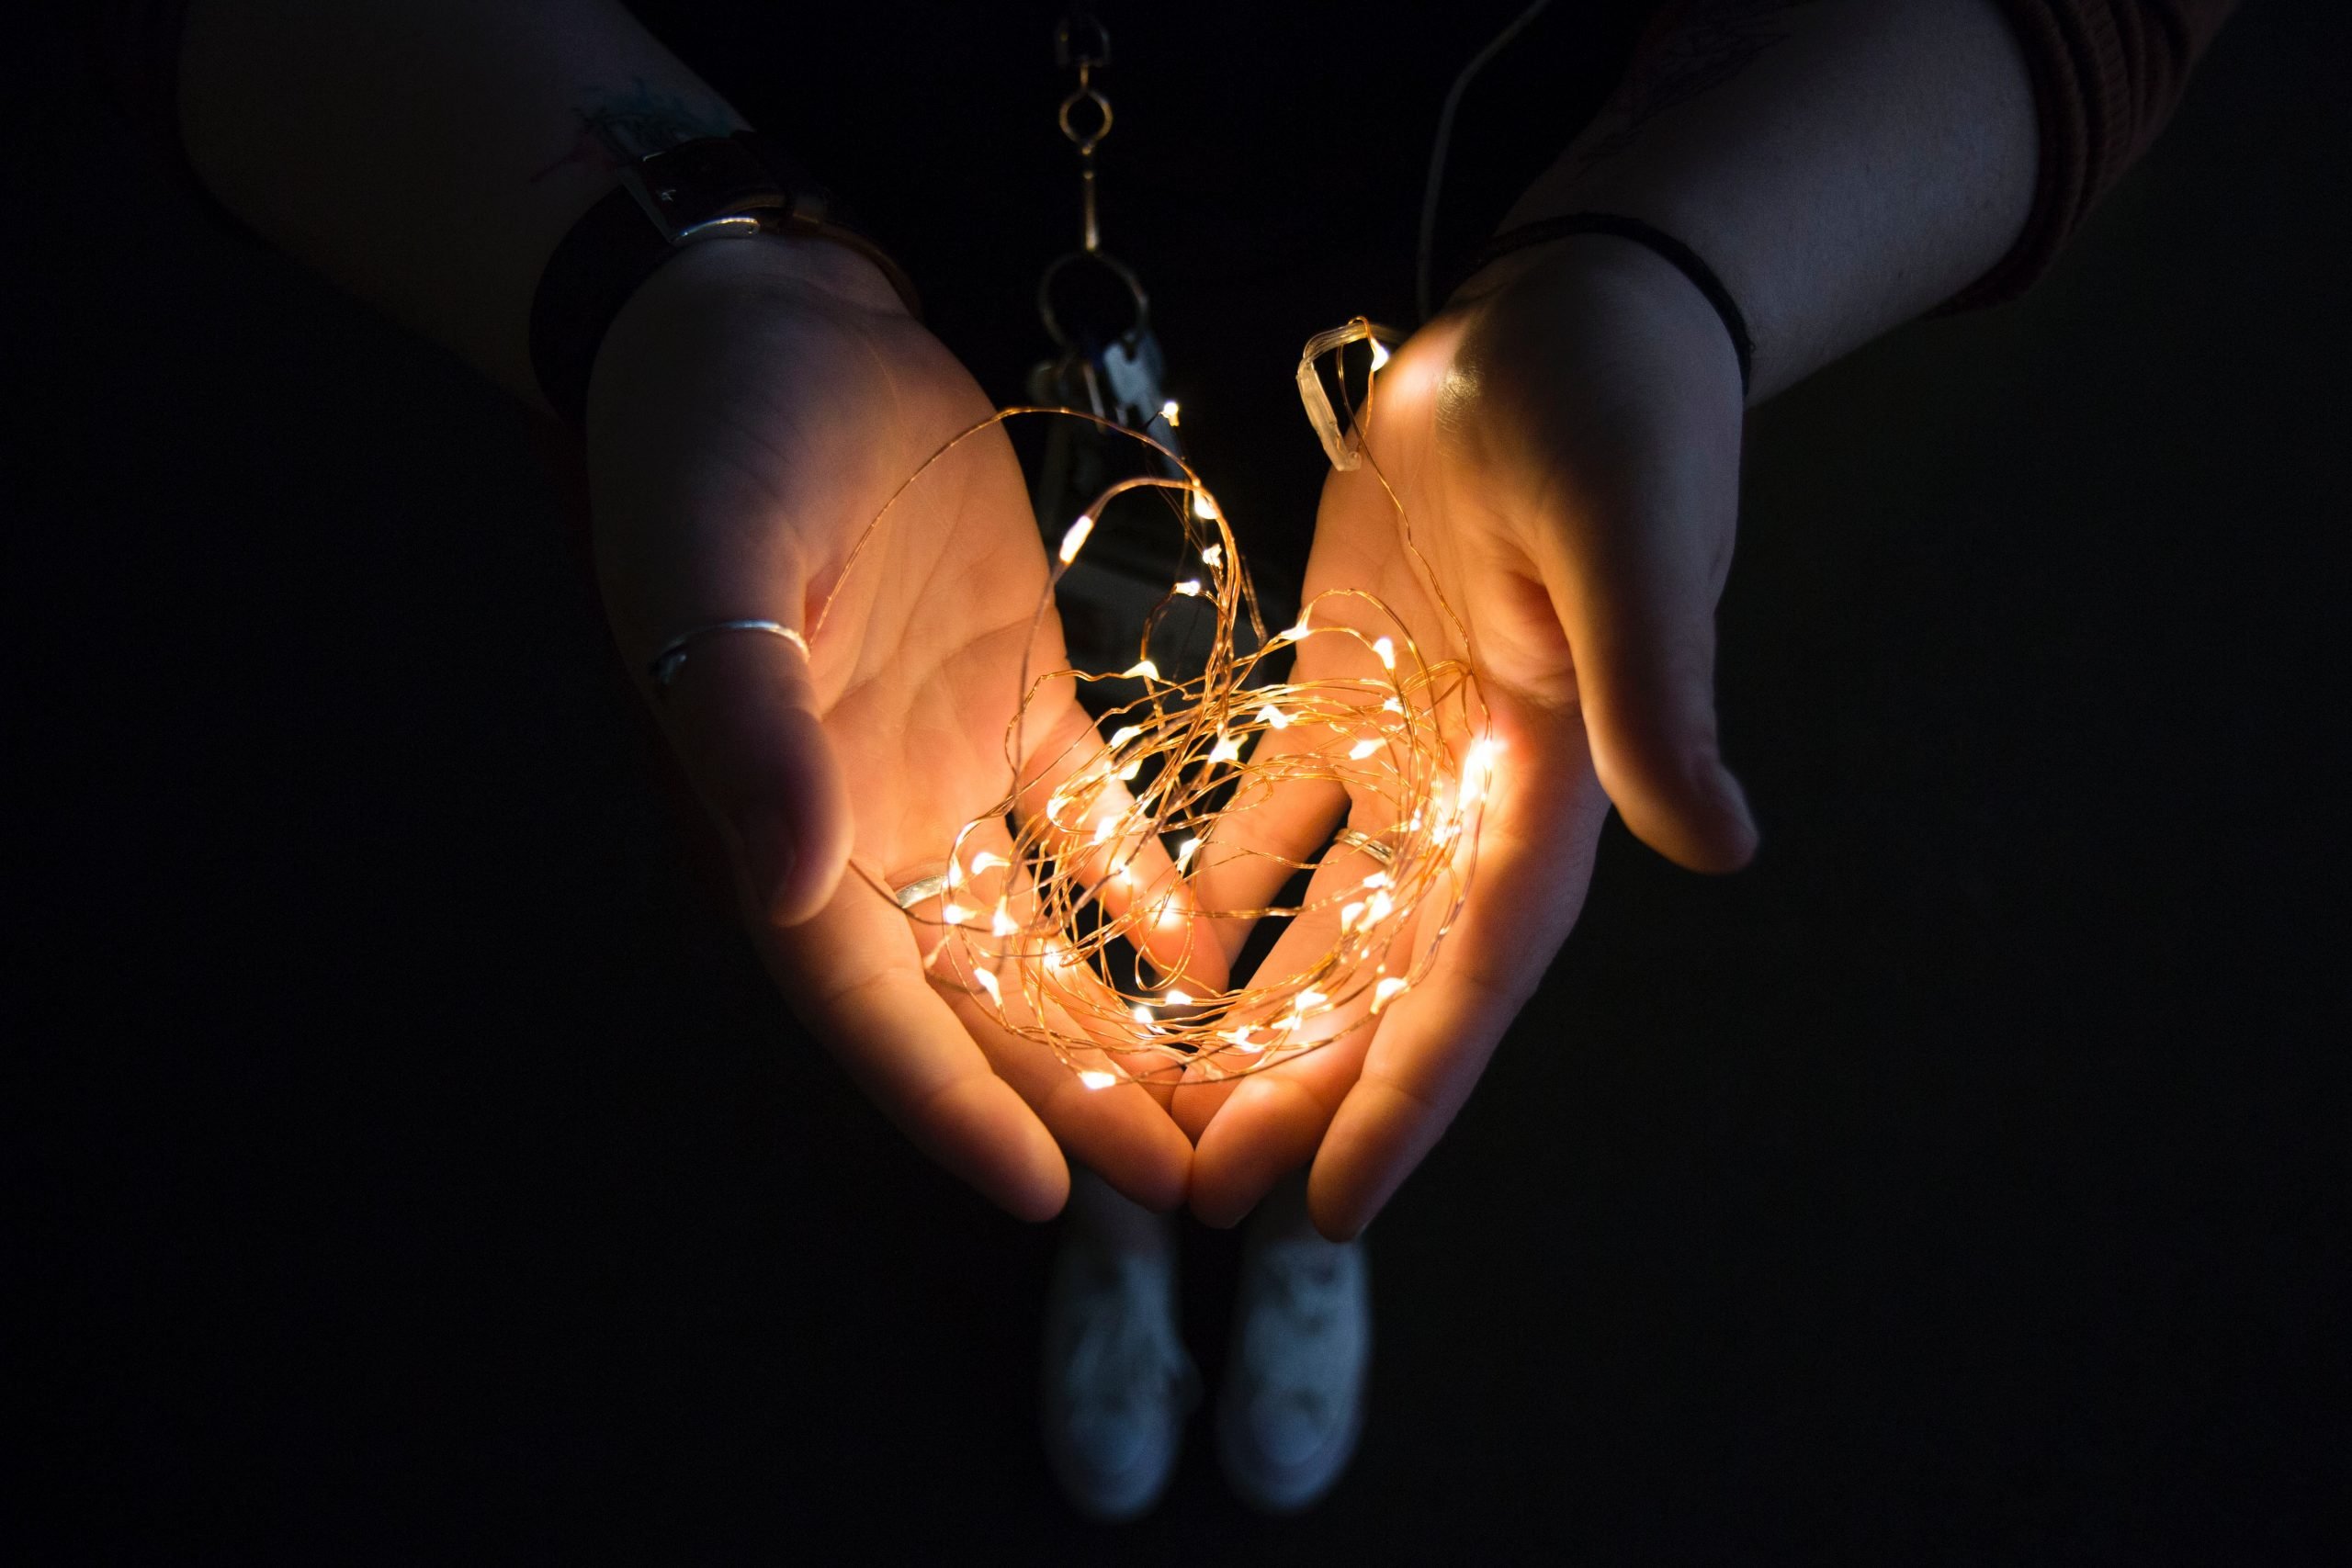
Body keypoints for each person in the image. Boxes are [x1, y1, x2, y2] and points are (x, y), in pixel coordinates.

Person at [111, 0, 2233, 1520]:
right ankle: (1133, 1166)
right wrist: (655, 269)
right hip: (866, 325)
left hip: (1464, 253)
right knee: (1000, 796)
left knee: (1370, 825)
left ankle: (1300, 1165)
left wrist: (1665, 261)